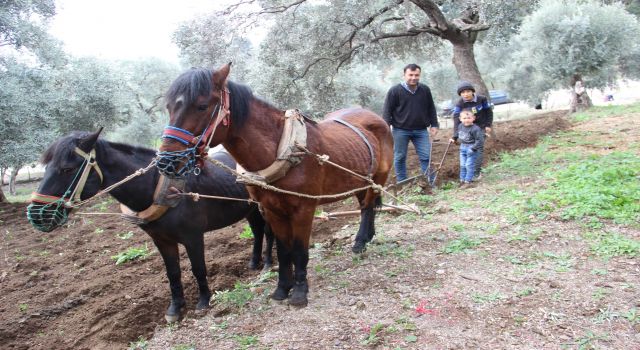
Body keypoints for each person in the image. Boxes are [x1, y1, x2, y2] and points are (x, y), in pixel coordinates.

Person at [382, 63, 439, 186]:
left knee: (426, 157)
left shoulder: (425, 89)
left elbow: (431, 108)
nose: (413, 77)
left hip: (421, 130)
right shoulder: (394, 91)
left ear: (419, 75)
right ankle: (402, 183)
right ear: (404, 75)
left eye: (416, 75)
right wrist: (386, 128)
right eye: (410, 75)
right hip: (400, 130)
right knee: (400, 157)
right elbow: (387, 111)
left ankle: (430, 183)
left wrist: (434, 124)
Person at [452, 81, 493, 179]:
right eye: (462, 93)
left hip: (480, 127)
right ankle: (467, 171)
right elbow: (456, 118)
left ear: (472, 92)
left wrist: (488, 125)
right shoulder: (459, 103)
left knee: (478, 148)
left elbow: (488, 112)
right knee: (467, 150)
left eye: (467, 91)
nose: (465, 94)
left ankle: (476, 172)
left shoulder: (482, 99)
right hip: (467, 129)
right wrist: (455, 135)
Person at [450, 109, 484, 188]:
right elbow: (457, 133)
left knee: (469, 165)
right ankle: (462, 180)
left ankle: (468, 181)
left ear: (473, 118)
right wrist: (454, 138)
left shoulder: (475, 129)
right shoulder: (460, 126)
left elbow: (480, 140)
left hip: (471, 148)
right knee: (462, 165)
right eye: (464, 118)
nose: (466, 120)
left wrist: (473, 148)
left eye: (469, 118)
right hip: (462, 147)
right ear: (460, 119)